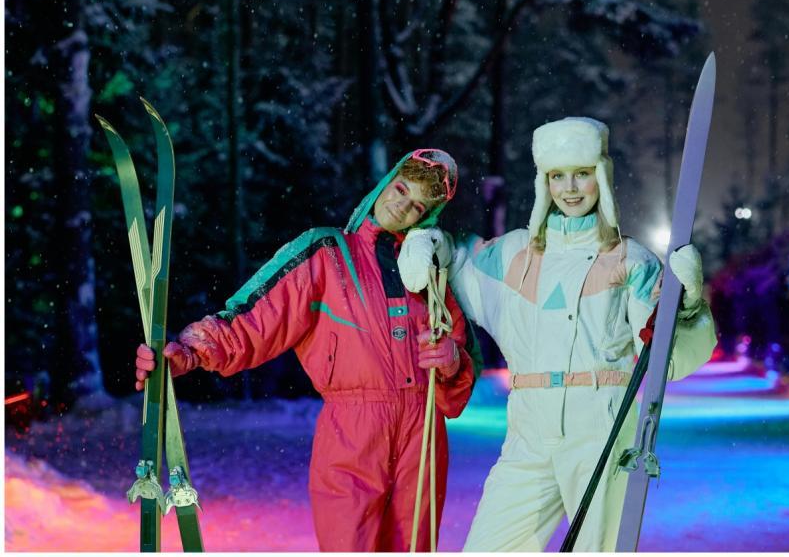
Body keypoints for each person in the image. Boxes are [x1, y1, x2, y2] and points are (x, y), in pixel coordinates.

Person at [398, 118, 717, 551]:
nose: (570, 188)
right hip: (529, 431)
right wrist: (426, 244)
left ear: (601, 175)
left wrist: (688, 306)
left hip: (601, 430)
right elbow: (451, 263)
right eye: (557, 176)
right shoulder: (512, 254)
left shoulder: (631, 261)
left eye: (582, 173)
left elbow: (666, 357)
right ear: (543, 182)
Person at [134, 149, 477, 551]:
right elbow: (256, 317)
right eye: (401, 189)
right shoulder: (326, 253)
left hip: (422, 440)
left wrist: (454, 362)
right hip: (353, 433)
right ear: (385, 183)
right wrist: (191, 351)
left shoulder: (430, 275)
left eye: (417, 205)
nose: (402, 206)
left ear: (426, 218)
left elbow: (455, 391)